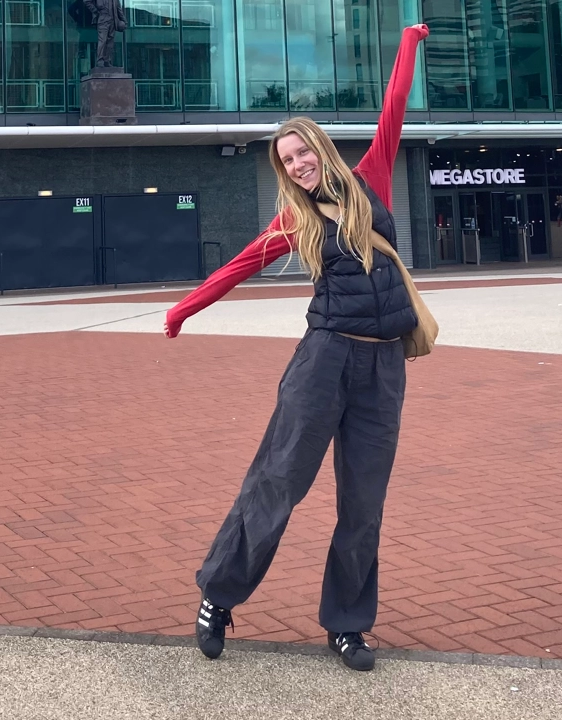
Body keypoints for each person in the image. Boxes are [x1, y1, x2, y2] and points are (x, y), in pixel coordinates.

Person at [163, 24, 437, 672]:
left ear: (319, 148)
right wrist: (183, 309)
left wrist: (406, 42)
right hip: (322, 364)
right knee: (277, 482)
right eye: (286, 161)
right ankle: (218, 596)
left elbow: (393, 107)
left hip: (383, 366)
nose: (297, 165)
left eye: (301, 153)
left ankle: (348, 625)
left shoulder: (370, 178)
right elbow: (237, 267)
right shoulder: (293, 220)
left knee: (364, 502)